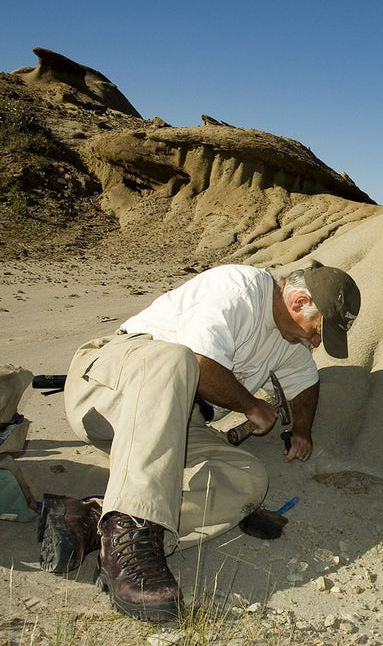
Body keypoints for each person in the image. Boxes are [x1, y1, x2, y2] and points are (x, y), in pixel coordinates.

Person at [37, 261, 360, 621]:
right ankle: (132, 542)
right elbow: (200, 362)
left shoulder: (288, 342)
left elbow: (306, 383)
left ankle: (96, 517)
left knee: (250, 478)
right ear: (299, 302)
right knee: (176, 359)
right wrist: (253, 406)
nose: (315, 342)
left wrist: (302, 430)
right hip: (111, 387)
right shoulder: (239, 288)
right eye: (317, 331)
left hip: (175, 423)